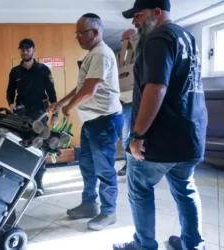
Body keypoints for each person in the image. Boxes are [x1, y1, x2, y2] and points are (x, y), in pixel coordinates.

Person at [113, 0, 208, 249]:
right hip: (191, 135)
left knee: (141, 190)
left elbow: (156, 88)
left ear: (156, 13)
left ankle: (144, 245)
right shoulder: (186, 36)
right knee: (186, 189)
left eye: (138, 15)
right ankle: (193, 244)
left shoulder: (158, 38)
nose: (134, 20)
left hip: (160, 139)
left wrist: (137, 135)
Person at [48, 13, 123, 231]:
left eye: (80, 33)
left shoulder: (101, 54)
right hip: (92, 122)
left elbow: (90, 91)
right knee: (87, 166)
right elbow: (81, 87)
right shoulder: (93, 55)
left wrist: (69, 108)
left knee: (104, 169)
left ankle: (109, 212)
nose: (77, 37)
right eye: (76, 33)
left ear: (96, 32)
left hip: (105, 121)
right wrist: (61, 103)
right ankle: (89, 204)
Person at [6, 38, 58, 197]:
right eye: (22, 49)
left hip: (40, 115)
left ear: (34, 50)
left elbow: (52, 94)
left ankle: (39, 183)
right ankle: (22, 182)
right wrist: (11, 103)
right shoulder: (15, 71)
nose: (24, 51)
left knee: (39, 146)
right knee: (21, 146)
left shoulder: (43, 70)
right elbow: (9, 92)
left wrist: (55, 114)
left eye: (27, 49)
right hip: (21, 115)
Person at [118, 29, 138, 177]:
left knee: (139, 135)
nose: (127, 43)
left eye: (130, 39)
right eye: (124, 40)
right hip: (125, 103)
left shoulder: (145, 54)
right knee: (126, 136)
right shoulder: (122, 59)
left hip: (141, 102)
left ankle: (137, 165)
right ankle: (129, 164)